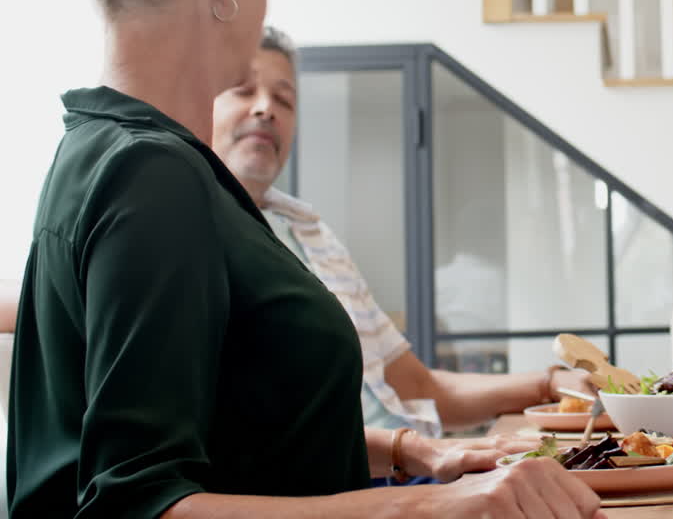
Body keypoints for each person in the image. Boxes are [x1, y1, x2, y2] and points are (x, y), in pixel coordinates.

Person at [9, 0, 602, 518]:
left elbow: (234, 431)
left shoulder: (96, 151)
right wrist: (436, 507)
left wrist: (414, 452)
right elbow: (139, 504)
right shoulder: (152, 177)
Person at [210, 26, 598, 481]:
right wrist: (416, 450)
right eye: (242, 90)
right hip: (358, 481)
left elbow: (416, 384)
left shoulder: (312, 235)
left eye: (285, 100)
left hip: (413, 465)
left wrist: (548, 384)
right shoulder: (193, 230)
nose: (265, 109)